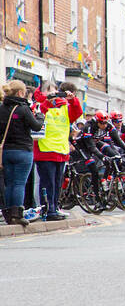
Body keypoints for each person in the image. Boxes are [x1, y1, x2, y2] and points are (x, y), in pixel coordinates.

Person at [30, 83, 80, 221]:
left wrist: (72, 100)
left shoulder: (64, 107)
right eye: (50, 92)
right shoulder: (38, 106)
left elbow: (76, 113)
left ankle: (54, 207)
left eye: (55, 92)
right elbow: (38, 116)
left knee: (57, 183)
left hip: (61, 151)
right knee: (47, 183)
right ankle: (47, 209)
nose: (54, 95)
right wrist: (48, 100)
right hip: (45, 150)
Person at [1, 81, 44, 226]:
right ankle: (17, 215)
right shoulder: (23, 109)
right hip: (23, 150)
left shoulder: (1, 108)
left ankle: (8, 214)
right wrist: (40, 116)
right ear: (20, 92)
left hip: (6, 151)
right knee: (19, 183)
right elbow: (37, 127)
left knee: (10, 183)